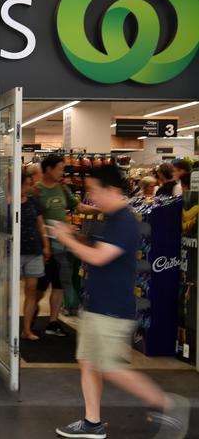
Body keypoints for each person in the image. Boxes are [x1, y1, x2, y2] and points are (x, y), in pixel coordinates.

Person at [52, 165, 189, 439]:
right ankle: (92, 422)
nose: (90, 197)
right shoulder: (110, 218)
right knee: (88, 362)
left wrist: (66, 239)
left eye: (93, 191)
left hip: (112, 308)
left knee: (110, 367)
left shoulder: (124, 220)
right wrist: (77, 236)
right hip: (97, 303)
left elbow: (99, 257)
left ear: (111, 190)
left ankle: (168, 404)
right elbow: (98, 251)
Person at [33, 154, 96, 335]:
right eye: (60, 168)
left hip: (63, 246)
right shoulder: (36, 190)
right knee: (40, 287)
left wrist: (101, 209)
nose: (63, 172)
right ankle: (34, 308)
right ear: (48, 169)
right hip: (44, 248)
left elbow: (79, 207)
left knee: (59, 284)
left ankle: (53, 321)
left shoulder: (62, 189)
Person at [20, 170, 50, 341]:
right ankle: (3, 328)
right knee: (7, 291)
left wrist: (45, 245)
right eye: (28, 183)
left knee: (31, 290)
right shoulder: (7, 202)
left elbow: (41, 225)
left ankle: (27, 328)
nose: (30, 187)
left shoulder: (33, 202)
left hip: (33, 250)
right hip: (12, 251)